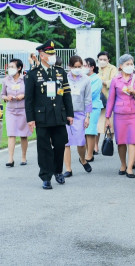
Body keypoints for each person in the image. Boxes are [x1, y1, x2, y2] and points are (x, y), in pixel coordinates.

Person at [25, 40, 74, 189]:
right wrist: (30, 119)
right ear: (42, 55)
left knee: (60, 144)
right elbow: (29, 99)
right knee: (44, 148)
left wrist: (70, 114)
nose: (52, 56)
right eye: (49, 53)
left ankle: (58, 170)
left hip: (59, 115)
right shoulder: (33, 74)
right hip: (42, 117)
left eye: (53, 53)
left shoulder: (60, 72)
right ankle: (46, 176)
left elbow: (66, 95)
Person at [105, 54, 135, 178]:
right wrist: (107, 117)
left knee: (133, 140)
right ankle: (123, 164)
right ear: (121, 66)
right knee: (121, 142)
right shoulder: (116, 80)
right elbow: (111, 99)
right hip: (119, 114)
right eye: (127, 64)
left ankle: (130, 167)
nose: (130, 66)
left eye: (131, 64)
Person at [63, 55, 93, 178]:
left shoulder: (86, 79)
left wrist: (87, 116)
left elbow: (88, 99)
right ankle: (68, 169)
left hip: (80, 114)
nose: (77, 69)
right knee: (66, 143)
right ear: (70, 67)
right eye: (75, 67)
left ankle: (83, 159)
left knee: (81, 142)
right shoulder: (64, 78)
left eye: (79, 67)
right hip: (65, 114)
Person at [1, 58, 32, 167]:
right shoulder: (5, 80)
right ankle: (10, 159)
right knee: (11, 134)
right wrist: (6, 97)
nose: (10, 69)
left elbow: (31, 93)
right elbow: (2, 94)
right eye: (9, 67)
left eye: (12, 67)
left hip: (23, 110)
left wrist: (23, 96)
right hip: (10, 110)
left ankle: (23, 157)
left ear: (19, 68)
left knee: (23, 135)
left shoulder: (25, 79)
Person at [96, 51, 118, 154]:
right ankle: (95, 147)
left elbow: (115, 81)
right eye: (100, 59)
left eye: (104, 59)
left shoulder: (113, 69)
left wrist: (103, 82)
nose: (102, 61)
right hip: (98, 100)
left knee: (109, 124)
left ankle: (108, 142)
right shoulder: (96, 69)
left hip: (110, 99)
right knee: (97, 124)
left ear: (108, 60)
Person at [83, 58, 103, 162]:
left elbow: (92, 94)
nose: (83, 67)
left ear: (92, 67)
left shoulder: (96, 79)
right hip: (82, 107)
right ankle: (87, 151)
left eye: (85, 65)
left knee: (90, 130)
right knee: (85, 131)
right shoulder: (82, 78)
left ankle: (90, 154)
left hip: (93, 107)